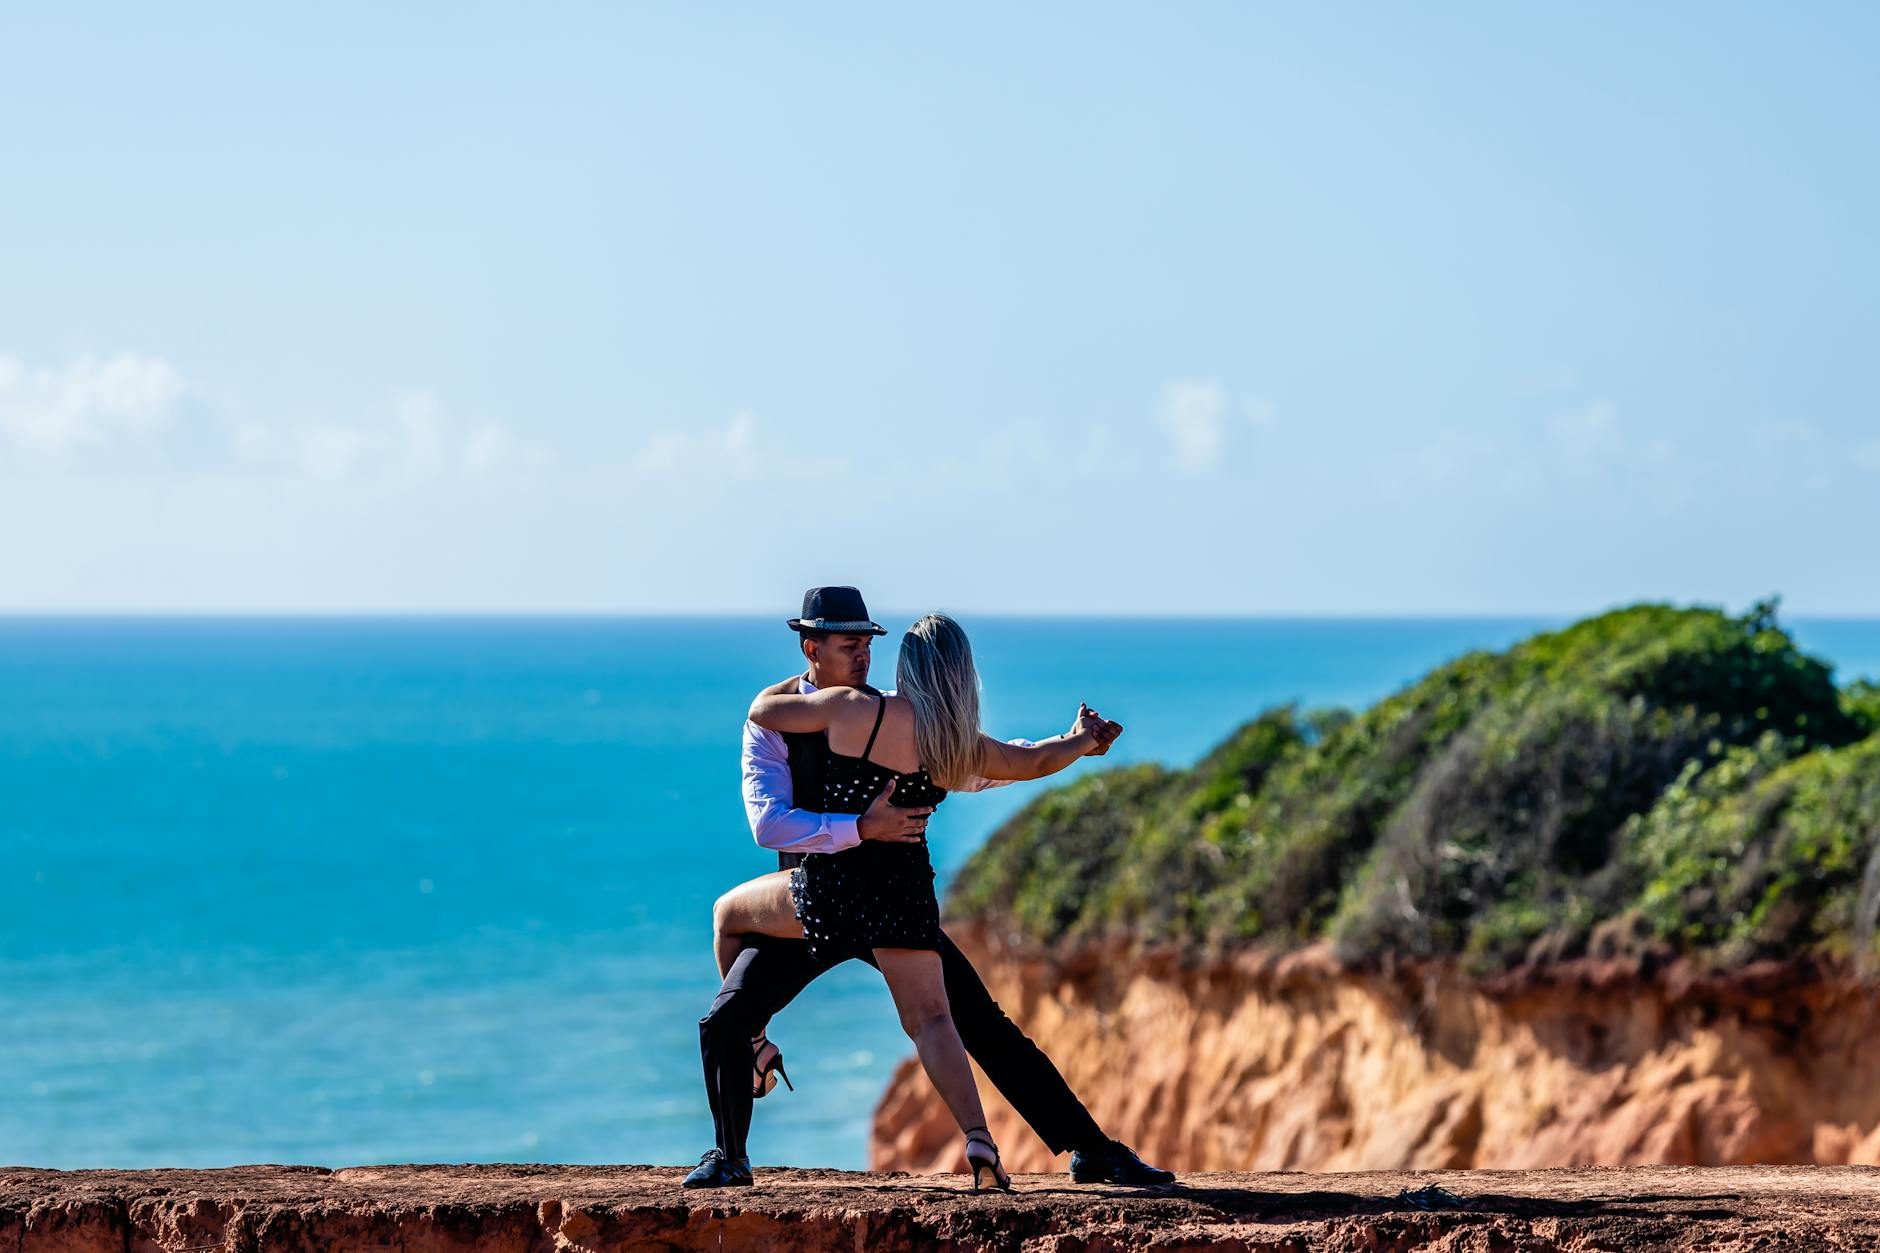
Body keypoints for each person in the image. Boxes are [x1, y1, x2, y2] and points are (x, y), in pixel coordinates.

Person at [683, 586, 1175, 1191]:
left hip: (843, 898)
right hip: (822, 896)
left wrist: (1067, 745)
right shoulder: (811, 725)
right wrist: (860, 827)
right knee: (724, 1022)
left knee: (984, 1025)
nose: (863, 656)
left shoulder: (863, 713)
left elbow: (977, 765)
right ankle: (731, 1153)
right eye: (849, 644)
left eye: (869, 644)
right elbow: (769, 824)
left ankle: (1091, 1149)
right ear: (811, 647)